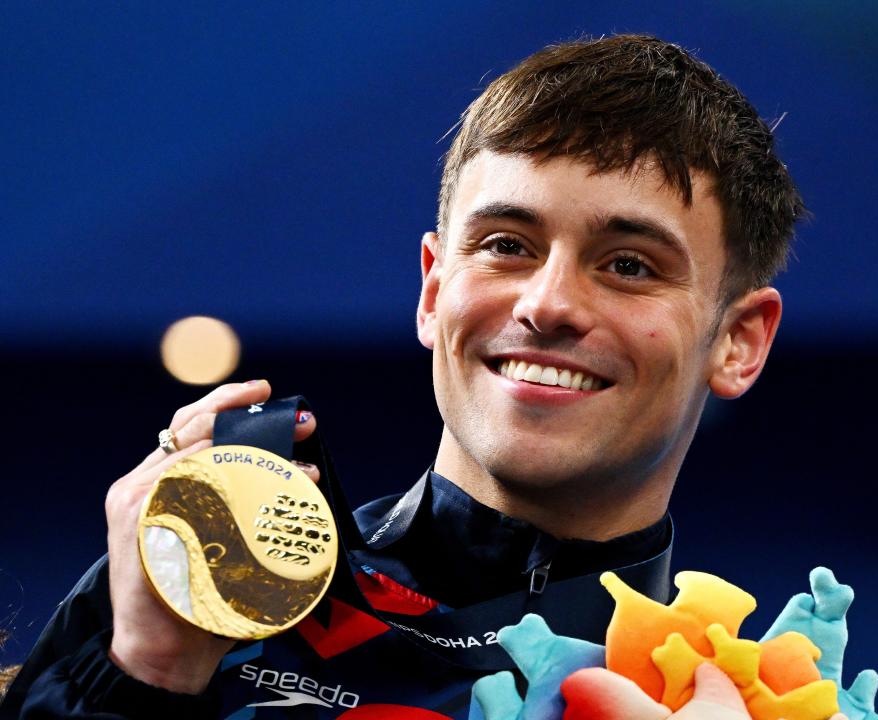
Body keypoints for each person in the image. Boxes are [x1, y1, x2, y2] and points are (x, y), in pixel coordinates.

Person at [1, 34, 812, 719]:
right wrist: (145, 672)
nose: (548, 304)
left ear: (738, 341)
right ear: (432, 288)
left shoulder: (737, 700)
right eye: (506, 245)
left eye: (629, 265)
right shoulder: (199, 580)